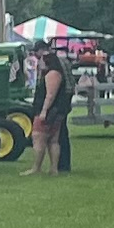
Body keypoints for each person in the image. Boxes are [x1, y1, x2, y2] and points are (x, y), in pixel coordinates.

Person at [32, 44, 74, 173]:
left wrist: (44, 110)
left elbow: (50, 94)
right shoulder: (62, 62)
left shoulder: (53, 71)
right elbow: (71, 84)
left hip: (53, 107)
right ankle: (60, 166)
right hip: (61, 104)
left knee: (42, 137)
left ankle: (40, 167)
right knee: (58, 137)